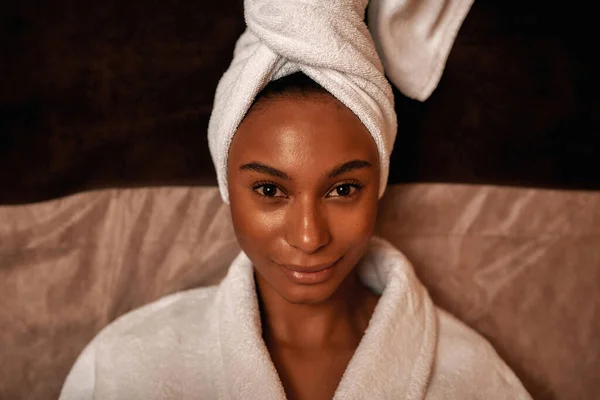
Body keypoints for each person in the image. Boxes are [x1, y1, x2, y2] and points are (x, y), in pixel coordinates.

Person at [60, 1, 532, 399]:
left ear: (380, 184)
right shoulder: (124, 368)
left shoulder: (474, 378)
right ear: (227, 185)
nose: (309, 236)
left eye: (343, 189)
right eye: (270, 191)